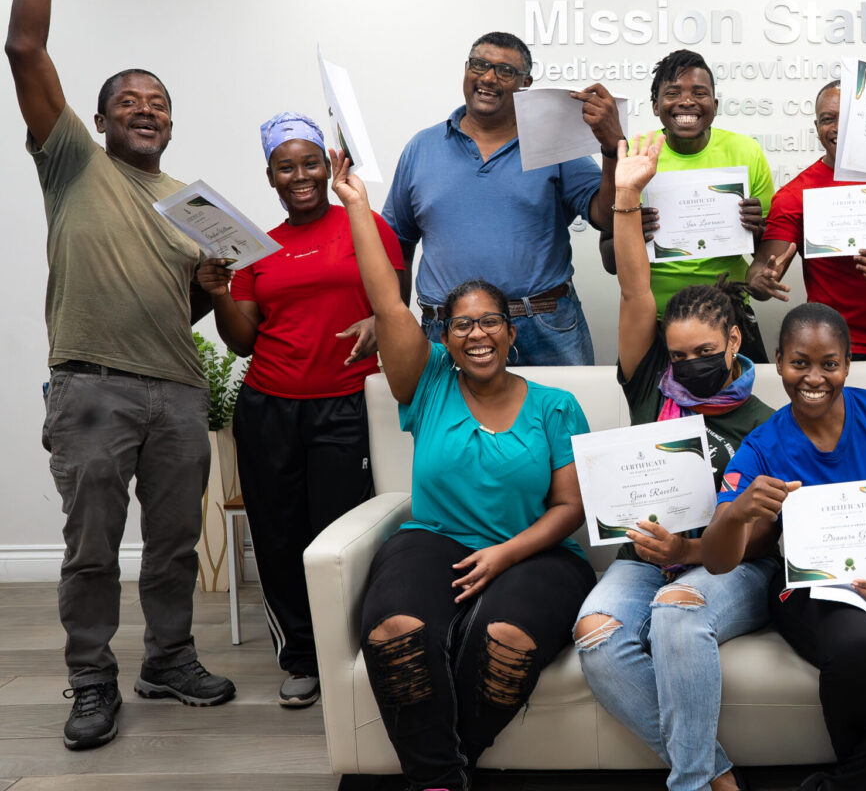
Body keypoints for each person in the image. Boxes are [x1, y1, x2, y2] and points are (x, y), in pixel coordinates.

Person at [6, 0, 235, 751]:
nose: (147, 109)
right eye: (130, 101)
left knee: (174, 544)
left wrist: (208, 286)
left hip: (176, 391)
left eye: (159, 102)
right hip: (91, 387)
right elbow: (23, 46)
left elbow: (184, 312)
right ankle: (93, 679)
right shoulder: (71, 159)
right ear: (99, 119)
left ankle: (168, 660)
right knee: (93, 548)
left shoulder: (191, 202)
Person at [332, 150, 594, 791]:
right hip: (434, 540)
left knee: (506, 641)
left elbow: (571, 508)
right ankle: (440, 782)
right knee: (396, 632)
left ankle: (447, 767)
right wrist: (359, 207)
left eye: (490, 322)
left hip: (536, 553)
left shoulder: (556, 405)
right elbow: (389, 305)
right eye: (462, 325)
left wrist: (504, 555)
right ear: (445, 338)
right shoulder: (427, 386)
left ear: (512, 333)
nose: (477, 334)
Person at [573, 134, 777, 791]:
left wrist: (688, 549)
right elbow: (636, 291)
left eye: (705, 352)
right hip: (643, 559)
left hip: (731, 569)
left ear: (735, 340)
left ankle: (688, 785)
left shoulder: (766, 424)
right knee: (596, 633)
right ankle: (715, 774)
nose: (690, 364)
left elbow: (761, 538)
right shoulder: (649, 386)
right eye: (679, 354)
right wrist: (627, 195)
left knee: (677, 610)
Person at [703, 304, 866, 791]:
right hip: (815, 585)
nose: (814, 378)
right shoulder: (762, 447)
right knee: (860, 649)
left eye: (829, 364)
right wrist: (737, 513)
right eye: (799, 362)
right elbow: (717, 561)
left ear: (847, 364)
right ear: (778, 361)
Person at [196, 112, 406, 709]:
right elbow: (242, 341)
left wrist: (377, 321)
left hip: (347, 403)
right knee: (279, 536)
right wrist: (219, 292)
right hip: (269, 409)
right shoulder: (256, 250)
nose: (301, 175)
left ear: (327, 165)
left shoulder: (366, 224)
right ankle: (301, 657)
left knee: (342, 535)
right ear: (271, 177)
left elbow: (395, 298)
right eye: (285, 167)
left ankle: (353, 650)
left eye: (310, 162)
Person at [381, 31, 624, 364]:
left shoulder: (554, 143)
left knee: (565, 401)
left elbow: (608, 216)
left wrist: (611, 149)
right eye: (479, 65)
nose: (488, 78)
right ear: (466, 69)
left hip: (543, 327)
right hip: (448, 331)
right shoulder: (421, 147)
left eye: (505, 71)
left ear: (526, 84)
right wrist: (393, 320)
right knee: (445, 404)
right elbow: (397, 243)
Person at [603, 49, 774, 361]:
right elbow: (609, 259)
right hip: (655, 319)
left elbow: (764, 253)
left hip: (729, 314)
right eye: (672, 93)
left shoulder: (747, 152)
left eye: (699, 93)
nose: (686, 101)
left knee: (744, 391)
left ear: (715, 105)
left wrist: (757, 230)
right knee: (655, 396)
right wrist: (631, 230)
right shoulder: (635, 154)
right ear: (655, 106)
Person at [747, 80, 866, 360]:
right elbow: (759, 273)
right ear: (817, 127)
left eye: (848, 118)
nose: (838, 127)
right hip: (826, 350)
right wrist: (760, 282)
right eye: (828, 119)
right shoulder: (794, 195)